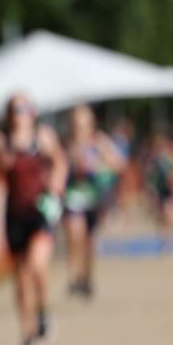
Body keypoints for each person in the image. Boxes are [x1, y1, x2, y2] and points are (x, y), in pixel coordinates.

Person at [0, 95, 67, 345]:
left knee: (37, 267)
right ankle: (28, 336)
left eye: (24, 108)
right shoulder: (0, 142)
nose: (20, 114)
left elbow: (60, 163)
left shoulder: (43, 137)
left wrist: (56, 186)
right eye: (14, 109)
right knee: (20, 280)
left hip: (40, 212)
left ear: (32, 113)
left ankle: (44, 311)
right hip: (15, 216)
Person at [62, 105, 125, 299]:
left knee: (90, 241)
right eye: (76, 123)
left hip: (94, 198)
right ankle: (74, 274)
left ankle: (86, 277)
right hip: (73, 197)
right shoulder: (67, 143)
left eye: (84, 123)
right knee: (75, 233)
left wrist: (99, 163)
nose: (80, 127)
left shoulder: (99, 141)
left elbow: (119, 164)